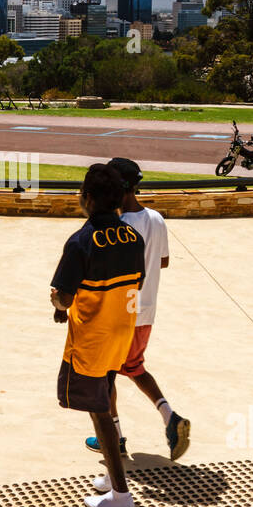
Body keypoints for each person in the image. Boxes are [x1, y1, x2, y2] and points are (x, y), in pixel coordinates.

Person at [51, 163, 146, 507]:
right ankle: (111, 474)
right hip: (122, 331)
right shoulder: (133, 237)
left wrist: (59, 303)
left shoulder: (81, 241)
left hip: (92, 338)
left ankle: (121, 495)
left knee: (99, 409)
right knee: (105, 394)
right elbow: (135, 281)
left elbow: (63, 294)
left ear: (87, 198)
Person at [82, 158, 191, 462]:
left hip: (121, 312)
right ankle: (170, 417)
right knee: (134, 367)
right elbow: (163, 261)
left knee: (105, 376)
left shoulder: (119, 227)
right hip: (146, 311)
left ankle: (114, 438)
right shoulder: (156, 218)